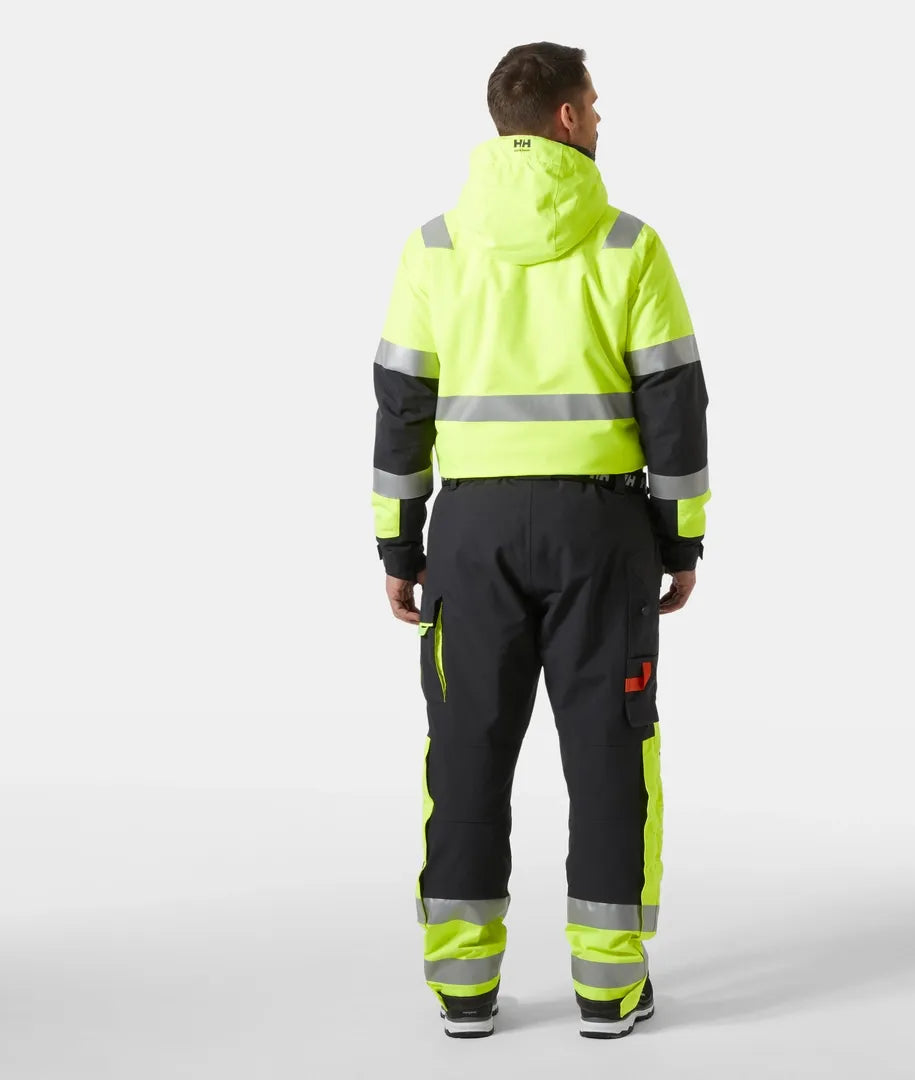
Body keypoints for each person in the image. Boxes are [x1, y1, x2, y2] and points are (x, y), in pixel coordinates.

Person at [370, 40, 710, 1040]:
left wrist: (399, 546)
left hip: (470, 535)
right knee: (609, 750)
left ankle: (463, 988)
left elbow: (401, 405)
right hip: (600, 531)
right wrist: (679, 540)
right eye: (594, 106)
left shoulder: (433, 247)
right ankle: (608, 989)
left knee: (465, 750)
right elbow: (674, 406)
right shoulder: (629, 245)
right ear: (566, 118)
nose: (600, 120)